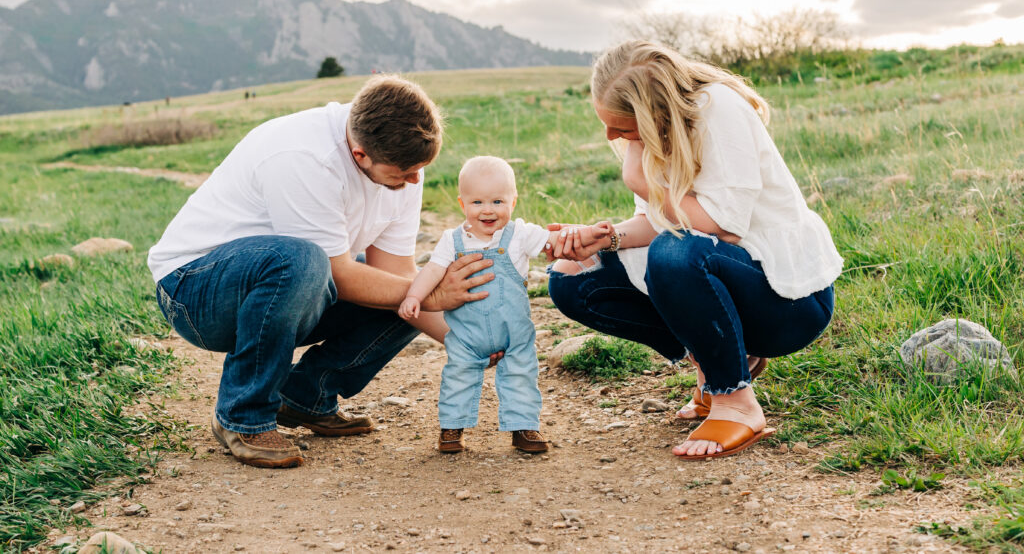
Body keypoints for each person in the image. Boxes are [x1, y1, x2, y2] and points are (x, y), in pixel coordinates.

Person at [148, 75, 497, 469]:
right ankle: (243, 416)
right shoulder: (304, 157)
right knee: (304, 260)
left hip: (289, 288)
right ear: (361, 154)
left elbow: (394, 272)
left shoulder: (401, 163)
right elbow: (340, 276)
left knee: (406, 291)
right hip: (195, 292)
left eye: (419, 169)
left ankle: (304, 397)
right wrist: (429, 294)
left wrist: (466, 340)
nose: (415, 180)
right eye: (404, 171)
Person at [546, 40, 842, 460]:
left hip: (789, 301)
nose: (609, 135)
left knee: (674, 253)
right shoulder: (653, 132)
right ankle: (715, 360)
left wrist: (642, 182)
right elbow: (661, 220)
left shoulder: (719, 109)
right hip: (726, 276)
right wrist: (604, 237)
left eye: (621, 125)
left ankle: (735, 401)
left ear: (654, 110)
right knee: (573, 277)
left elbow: (722, 228)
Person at [399, 156, 610, 454]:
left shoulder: (519, 234)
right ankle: (451, 427)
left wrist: (588, 232)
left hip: (514, 333)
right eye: (477, 202)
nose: (487, 210)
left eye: (497, 201)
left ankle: (524, 427)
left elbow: (554, 239)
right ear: (462, 204)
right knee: (458, 376)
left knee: (521, 375)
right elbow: (432, 270)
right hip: (466, 334)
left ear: (513, 202)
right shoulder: (452, 240)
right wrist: (413, 296)